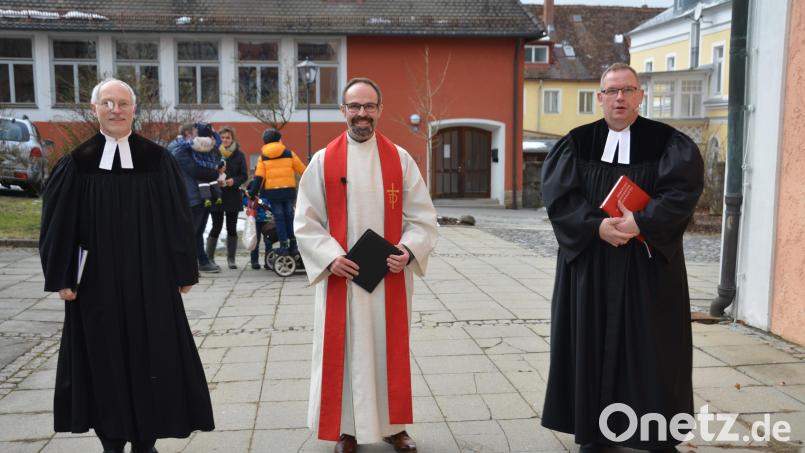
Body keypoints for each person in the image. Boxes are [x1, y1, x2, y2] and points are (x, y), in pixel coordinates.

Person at [38, 78, 214, 453]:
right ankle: (111, 441)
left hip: (151, 283)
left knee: (154, 359)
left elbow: (178, 217)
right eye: (107, 103)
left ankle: (146, 442)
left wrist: (184, 269)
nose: (115, 109)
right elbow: (57, 224)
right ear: (95, 109)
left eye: (122, 103)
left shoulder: (157, 159)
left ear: (134, 109)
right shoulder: (77, 163)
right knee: (104, 364)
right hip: (95, 288)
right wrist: (62, 277)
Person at [540, 63, 704, 453]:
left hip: (647, 267)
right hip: (591, 265)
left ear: (640, 96)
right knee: (589, 342)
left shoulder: (667, 142)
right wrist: (596, 227)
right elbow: (560, 198)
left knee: (654, 348)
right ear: (599, 97)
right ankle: (595, 434)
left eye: (628, 90)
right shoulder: (576, 143)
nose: (619, 98)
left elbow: (682, 192)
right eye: (612, 91)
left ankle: (654, 434)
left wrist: (641, 222)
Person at [294, 77, 438, 453]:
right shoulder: (324, 160)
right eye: (354, 106)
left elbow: (423, 218)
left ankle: (395, 428)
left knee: (388, 351)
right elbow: (305, 221)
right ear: (343, 111)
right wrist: (329, 257)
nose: (362, 114)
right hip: (342, 277)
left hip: (389, 278)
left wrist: (407, 251)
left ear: (379, 110)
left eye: (369, 106)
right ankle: (347, 430)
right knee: (344, 354)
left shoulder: (400, 159)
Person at [169, 122, 225, 273]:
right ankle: (183, 263)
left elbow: (213, 158)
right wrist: (215, 172)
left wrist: (217, 165)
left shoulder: (197, 149)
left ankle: (202, 261)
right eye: (197, 134)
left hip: (202, 194)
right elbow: (196, 171)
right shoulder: (180, 149)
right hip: (190, 195)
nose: (202, 138)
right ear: (188, 134)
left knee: (197, 230)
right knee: (190, 231)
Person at [250, 128, 306, 256]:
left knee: (279, 219)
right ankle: (294, 245)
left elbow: (259, 177)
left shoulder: (263, 157)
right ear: (279, 139)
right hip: (288, 191)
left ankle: (283, 246)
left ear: (265, 142)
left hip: (273, 193)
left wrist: (253, 193)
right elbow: (303, 170)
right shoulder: (289, 153)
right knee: (290, 217)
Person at [207, 125, 248, 269]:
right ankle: (209, 258)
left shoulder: (239, 155)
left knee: (232, 227)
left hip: (232, 195)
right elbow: (206, 170)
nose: (225, 140)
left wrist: (234, 181)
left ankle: (231, 259)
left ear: (232, 139)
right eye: (222, 137)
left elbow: (244, 175)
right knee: (216, 226)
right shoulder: (212, 153)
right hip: (216, 194)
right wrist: (215, 175)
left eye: (228, 137)